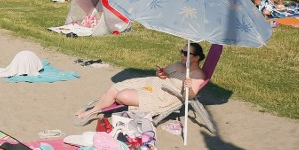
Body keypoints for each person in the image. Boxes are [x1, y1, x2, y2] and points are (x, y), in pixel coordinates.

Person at [75, 44, 207, 121]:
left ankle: (101, 108)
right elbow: (162, 73)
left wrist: (189, 87)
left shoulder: (197, 75)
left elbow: (189, 97)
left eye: (186, 53)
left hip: (166, 96)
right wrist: (159, 73)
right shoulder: (178, 64)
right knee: (115, 88)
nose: (182, 55)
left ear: (196, 58)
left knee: (121, 96)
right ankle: (94, 111)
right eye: (182, 52)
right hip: (154, 83)